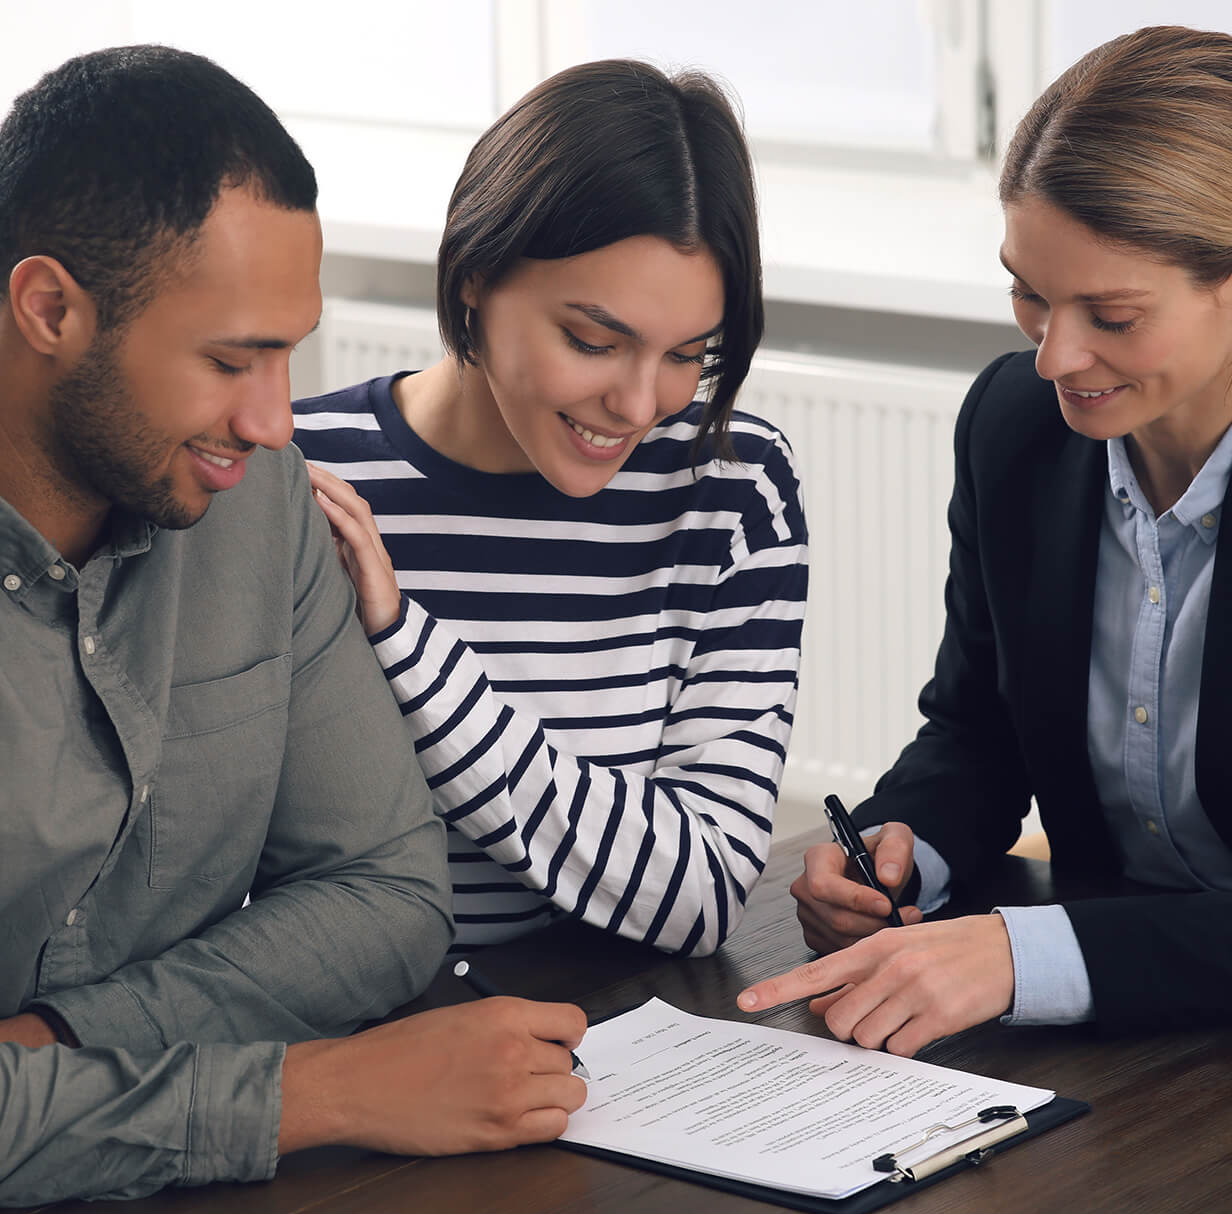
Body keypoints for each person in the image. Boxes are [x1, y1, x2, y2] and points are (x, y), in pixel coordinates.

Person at [0, 46, 583, 1207]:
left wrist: (53, 1046)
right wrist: (317, 1091)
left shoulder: (252, 501)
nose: (275, 420)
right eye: (230, 359)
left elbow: (386, 894)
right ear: (49, 307)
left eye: (287, 353)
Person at [739, 24, 1232, 1054]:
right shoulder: (1015, 427)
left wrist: (1019, 954)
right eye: (1028, 292)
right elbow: (978, 727)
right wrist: (897, 851)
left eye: (1109, 311)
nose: (1053, 354)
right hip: (1127, 1038)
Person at [295, 60, 808, 957]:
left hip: (611, 1044)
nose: (641, 403)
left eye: (691, 353)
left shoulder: (732, 486)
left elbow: (702, 893)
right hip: (358, 1043)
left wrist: (405, 648)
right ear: (474, 279)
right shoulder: (302, 481)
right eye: (593, 341)